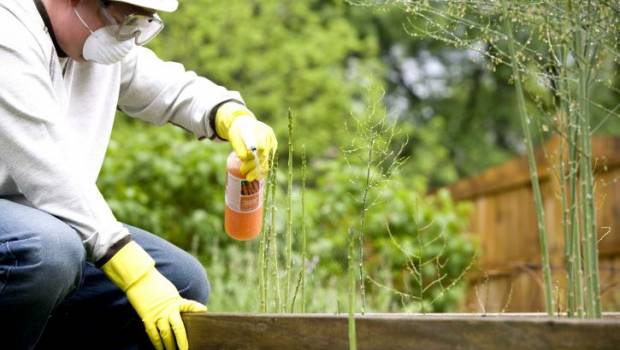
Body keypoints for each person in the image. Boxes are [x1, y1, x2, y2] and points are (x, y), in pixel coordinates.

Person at [0, 0, 277, 349]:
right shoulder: (7, 33)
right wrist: (137, 275)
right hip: (24, 231)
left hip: (45, 225)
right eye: (124, 16)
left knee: (180, 280)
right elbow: (49, 170)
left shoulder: (96, 47)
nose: (129, 32)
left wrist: (229, 114)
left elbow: (160, 83)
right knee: (49, 251)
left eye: (141, 20)